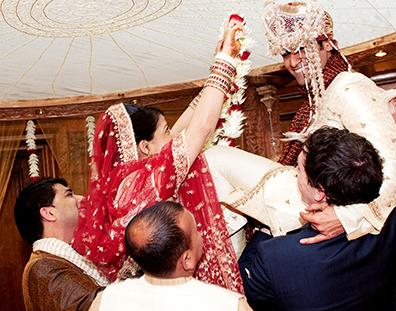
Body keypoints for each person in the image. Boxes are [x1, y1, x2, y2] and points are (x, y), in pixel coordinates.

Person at [205, 0, 396, 243]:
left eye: (301, 49)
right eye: (285, 53)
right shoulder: (317, 96)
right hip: (305, 196)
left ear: (328, 45)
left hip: (323, 202)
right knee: (214, 172)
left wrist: (346, 217)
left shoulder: (348, 86)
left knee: (214, 158)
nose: (292, 62)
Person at [71, 18, 245, 292]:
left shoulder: (123, 183)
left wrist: (214, 74)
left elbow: (185, 128)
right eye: (165, 132)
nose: (173, 138)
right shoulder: (144, 181)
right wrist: (226, 60)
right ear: (144, 147)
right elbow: (200, 128)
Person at [238, 127, 396, 310]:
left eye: (298, 170)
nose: (295, 175)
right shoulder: (395, 217)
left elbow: (240, 290)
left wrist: (265, 227)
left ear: (320, 192)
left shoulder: (275, 255)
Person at [90, 201, 252, 311]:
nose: (201, 234)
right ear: (187, 260)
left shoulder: (107, 299)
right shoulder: (227, 304)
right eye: (196, 231)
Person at [14, 178, 105, 311]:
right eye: (69, 195)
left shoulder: (60, 258)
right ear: (49, 213)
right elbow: (96, 306)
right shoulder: (42, 267)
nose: (82, 198)